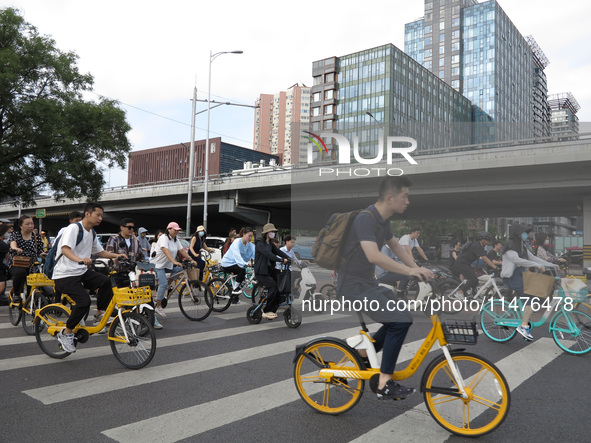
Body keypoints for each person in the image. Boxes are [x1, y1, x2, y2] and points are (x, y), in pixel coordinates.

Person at [338, 176, 433, 400]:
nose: (408, 201)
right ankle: (384, 383)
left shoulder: (384, 222)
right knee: (398, 321)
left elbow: (398, 249)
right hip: (352, 286)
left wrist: (419, 269)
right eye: (405, 196)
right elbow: (374, 255)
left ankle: (361, 354)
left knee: (404, 317)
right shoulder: (365, 218)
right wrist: (408, 272)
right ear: (390, 197)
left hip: (367, 283)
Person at [52, 203, 127, 353]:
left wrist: (116, 255)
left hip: (80, 271)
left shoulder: (91, 232)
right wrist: (80, 259)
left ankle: (100, 312)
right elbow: (65, 249)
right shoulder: (74, 228)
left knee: (105, 282)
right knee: (84, 302)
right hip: (65, 274)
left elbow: (100, 252)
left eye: (101, 215)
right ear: (87, 214)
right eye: (98, 215)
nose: (100, 218)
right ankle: (66, 333)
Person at [501, 224, 557, 340]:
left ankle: (526, 315)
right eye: (523, 233)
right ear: (517, 234)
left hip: (521, 274)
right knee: (529, 296)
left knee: (537, 293)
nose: (526, 235)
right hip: (511, 276)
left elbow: (532, 258)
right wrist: (538, 265)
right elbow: (517, 260)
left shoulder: (522, 246)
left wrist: (552, 265)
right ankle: (523, 326)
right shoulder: (510, 246)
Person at [152, 222, 197, 318]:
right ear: (169, 229)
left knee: (179, 270)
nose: (176, 232)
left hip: (168, 265)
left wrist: (191, 259)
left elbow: (182, 251)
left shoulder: (175, 240)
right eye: (175, 230)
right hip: (158, 265)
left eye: (178, 230)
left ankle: (166, 286)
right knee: (163, 284)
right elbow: (165, 250)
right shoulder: (164, 238)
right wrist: (174, 261)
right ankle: (158, 306)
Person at [254, 223, 290, 319]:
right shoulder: (259, 243)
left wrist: (289, 258)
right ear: (266, 233)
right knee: (273, 287)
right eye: (272, 232)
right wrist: (281, 260)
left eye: (274, 232)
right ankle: (266, 311)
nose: (273, 233)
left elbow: (277, 251)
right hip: (261, 272)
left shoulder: (270, 243)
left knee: (280, 287)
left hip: (269, 270)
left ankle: (273, 309)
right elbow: (268, 254)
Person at [8, 215, 45, 302]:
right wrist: (15, 248)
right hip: (18, 264)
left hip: (33, 265)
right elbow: (12, 243)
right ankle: (17, 294)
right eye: (27, 224)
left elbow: (39, 250)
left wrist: (43, 254)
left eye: (32, 223)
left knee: (39, 279)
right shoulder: (16, 234)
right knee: (21, 273)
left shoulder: (36, 236)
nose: (30, 226)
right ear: (21, 226)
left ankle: (33, 300)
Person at [453, 232, 499, 296]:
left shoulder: (479, 246)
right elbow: (485, 259)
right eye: (488, 240)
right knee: (473, 278)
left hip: (466, 264)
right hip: (461, 263)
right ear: (483, 240)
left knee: (475, 280)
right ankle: (460, 292)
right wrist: (495, 267)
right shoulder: (477, 246)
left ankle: (473, 295)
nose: (489, 242)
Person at [106, 218, 145, 286]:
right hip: (116, 273)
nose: (131, 229)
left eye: (133, 228)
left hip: (131, 274)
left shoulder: (136, 240)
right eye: (129, 227)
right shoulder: (114, 239)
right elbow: (109, 254)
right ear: (122, 228)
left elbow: (141, 256)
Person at [220, 227, 255, 301]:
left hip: (236, 264)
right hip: (227, 263)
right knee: (242, 270)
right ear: (243, 234)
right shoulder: (237, 242)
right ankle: (235, 289)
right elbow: (237, 255)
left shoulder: (250, 245)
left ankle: (234, 298)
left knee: (242, 276)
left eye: (252, 236)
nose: (250, 238)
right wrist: (245, 263)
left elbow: (255, 253)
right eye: (249, 236)